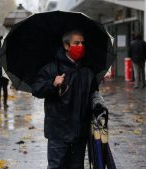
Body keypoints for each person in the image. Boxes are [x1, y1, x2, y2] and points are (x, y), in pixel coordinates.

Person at [31, 30, 108, 169]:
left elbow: (93, 94)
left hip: (80, 133)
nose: (80, 46)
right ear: (66, 46)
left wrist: (98, 103)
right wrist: (52, 84)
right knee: (57, 166)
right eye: (76, 43)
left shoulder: (87, 70)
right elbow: (36, 89)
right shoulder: (53, 67)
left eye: (82, 43)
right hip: (58, 133)